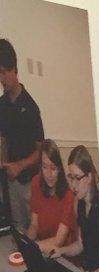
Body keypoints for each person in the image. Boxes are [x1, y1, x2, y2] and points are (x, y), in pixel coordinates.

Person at [0, 39, 43, 233]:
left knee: (33, 231)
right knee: (16, 230)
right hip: (9, 182)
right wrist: (5, 164)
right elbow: (2, 139)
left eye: (2, 72)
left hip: (29, 182)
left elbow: (40, 152)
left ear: (14, 70)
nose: (0, 79)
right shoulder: (1, 105)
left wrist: (20, 166)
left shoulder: (31, 107)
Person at [48, 145, 99, 272]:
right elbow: (80, 244)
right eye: (71, 177)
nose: (73, 185)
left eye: (77, 178)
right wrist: (61, 251)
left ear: (89, 177)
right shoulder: (80, 203)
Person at [26, 139, 76, 253]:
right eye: (44, 167)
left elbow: (59, 240)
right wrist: (25, 243)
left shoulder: (68, 195)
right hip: (42, 247)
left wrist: (31, 248)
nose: (49, 174)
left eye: (53, 168)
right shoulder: (36, 182)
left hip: (61, 254)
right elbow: (34, 225)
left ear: (59, 168)